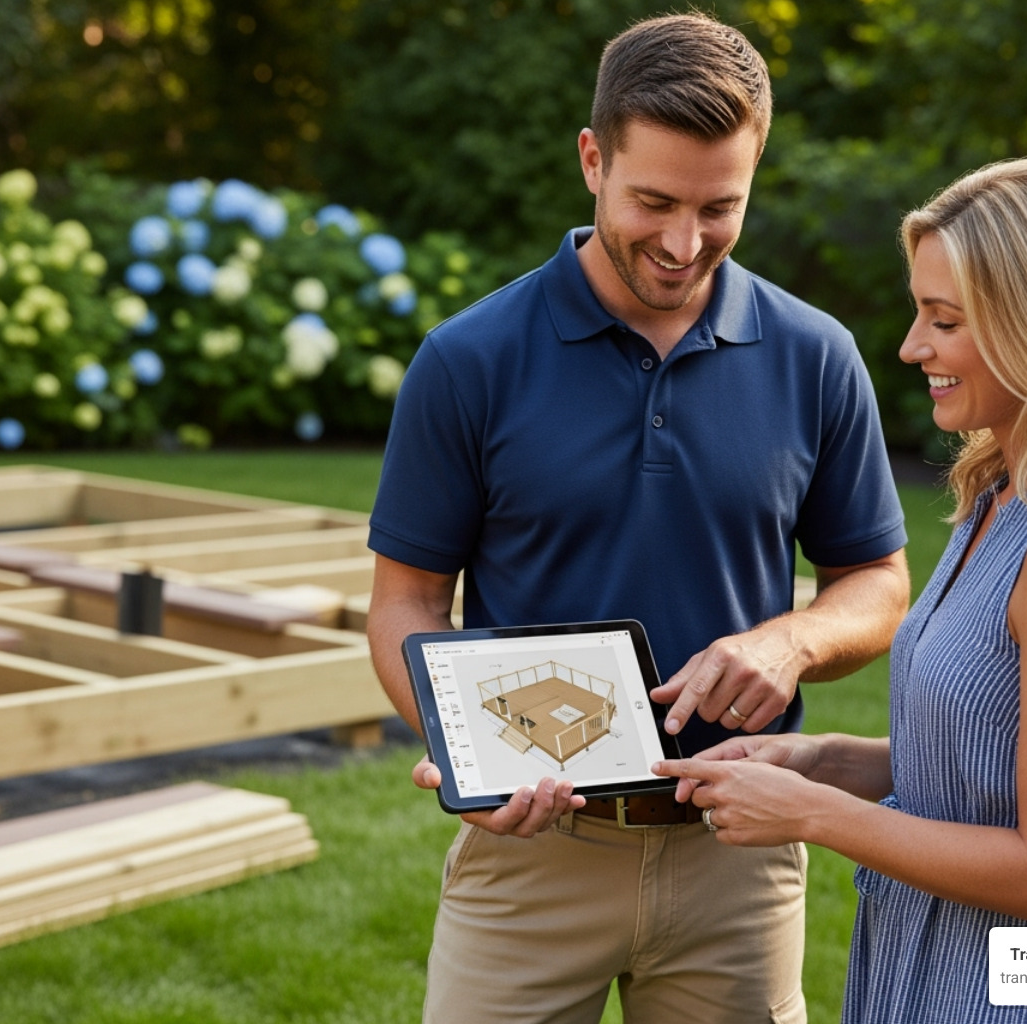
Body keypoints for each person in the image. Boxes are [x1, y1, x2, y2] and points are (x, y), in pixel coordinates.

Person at [365, 12, 910, 1024]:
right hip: (533, 858)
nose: (681, 241)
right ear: (591, 159)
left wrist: (790, 642)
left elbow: (877, 583)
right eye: (652, 200)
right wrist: (466, 752)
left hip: (738, 849)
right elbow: (403, 602)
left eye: (719, 207)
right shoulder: (467, 359)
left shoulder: (817, 354)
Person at [654, 156, 1027, 1024]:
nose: (912, 346)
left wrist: (810, 813)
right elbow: (995, 760)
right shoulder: (1003, 496)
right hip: (934, 955)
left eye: (944, 320)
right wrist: (829, 762)